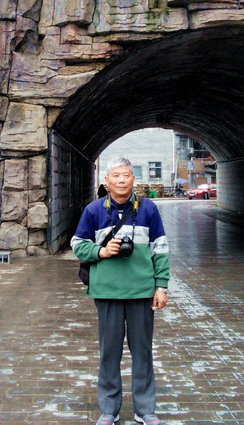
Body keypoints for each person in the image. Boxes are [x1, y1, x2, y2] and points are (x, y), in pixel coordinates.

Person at [72, 157, 170, 425]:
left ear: (133, 179)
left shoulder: (148, 208)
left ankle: (145, 410)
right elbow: (78, 244)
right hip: (107, 292)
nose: (122, 180)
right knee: (109, 352)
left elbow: (159, 248)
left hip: (141, 291)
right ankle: (109, 410)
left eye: (126, 175)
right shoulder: (93, 210)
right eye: (116, 175)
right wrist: (100, 251)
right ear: (107, 180)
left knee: (143, 352)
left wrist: (161, 286)